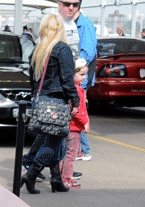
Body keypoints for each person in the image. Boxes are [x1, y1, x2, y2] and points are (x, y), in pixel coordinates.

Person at [20, 14, 78, 194]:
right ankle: (31, 174)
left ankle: (55, 179)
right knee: (54, 139)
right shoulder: (62, 49)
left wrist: (35, 99)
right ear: (60, 29)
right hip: (57, 100)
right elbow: (67, 79)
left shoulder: (38, 50)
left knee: (54, 138)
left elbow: (33, 80)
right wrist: (75, 100)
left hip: (42, 100)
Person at [57, 0, 96, 163]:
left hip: (76, 76)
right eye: (67, 4)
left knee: (76, 112)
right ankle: (79, 150)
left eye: (74, 4)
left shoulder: (84, 24)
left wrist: (72, 68)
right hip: (69, 76)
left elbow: (87, 52)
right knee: (73, 113)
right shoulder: (66, 22)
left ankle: (83, 149)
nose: (71, 7)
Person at [60, 58, 90, 189]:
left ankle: (61, 174)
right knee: (71, 154)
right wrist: (85, 123)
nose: (84, 77)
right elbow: (78, 110)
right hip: (74, 128)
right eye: (81, 74)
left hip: (67, 126)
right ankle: (66, 178)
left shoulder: (68, 88)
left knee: (65, 153)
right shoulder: (77, 90)